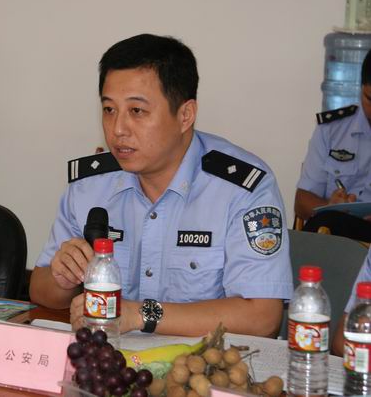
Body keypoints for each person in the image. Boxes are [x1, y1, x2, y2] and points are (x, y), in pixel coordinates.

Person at [29, 34, 292, 337]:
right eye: (109, 109)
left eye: (137, 111)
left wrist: (141, 314)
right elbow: (40, 289)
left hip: (201, 362)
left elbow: (262, 317)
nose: (118, 129)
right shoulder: (91, 186)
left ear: (185, 115)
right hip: (111, 359)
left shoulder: (242, 189)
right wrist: (63, 278)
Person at [294, 49, 371, 241]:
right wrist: (330, 205)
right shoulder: (332, 130)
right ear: (361, 88)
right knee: (327, 221)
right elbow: (302, 202)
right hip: (338, 230)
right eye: (370, 99)